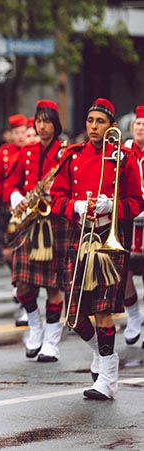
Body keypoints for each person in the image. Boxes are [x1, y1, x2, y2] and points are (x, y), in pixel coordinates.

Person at [50, 98, 144, 399]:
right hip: (80, 234)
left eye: (100, 122)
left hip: (109, 238)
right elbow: (55, 198)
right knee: (75, 316)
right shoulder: (72, 156)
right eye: (90, 121)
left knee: (103, 309)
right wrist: (76, 205)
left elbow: (137, 201)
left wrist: (112, 205)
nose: (93, 127)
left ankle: (107, 379)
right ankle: (106, 357)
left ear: (111, 126)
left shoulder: (124, 156)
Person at [4, 101, 67, 362]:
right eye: (38, 122)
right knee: (22, 285)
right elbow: (10, 182)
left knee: (53, 286)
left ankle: (52, 341)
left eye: (47, 121)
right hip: (29, 223)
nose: (41, 127)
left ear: (55, 124)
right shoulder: (27, 152)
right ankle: (35, 326)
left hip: (54, 224)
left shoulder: (65, 152)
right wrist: (16, 195)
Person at [0, 114, 27, 266]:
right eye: (16, 133)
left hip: (29, 202)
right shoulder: (4, 152)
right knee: (7, 248)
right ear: (10, 135)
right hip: (8, 204)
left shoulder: (32, 150)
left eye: (23, 132)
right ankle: (16, 280)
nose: (20, 136)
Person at [122, 105, 144, 345]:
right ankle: (134, 316)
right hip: (128, 220)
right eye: (137, 124)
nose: (140, 128)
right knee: (123, 271)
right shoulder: (124, 149)